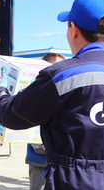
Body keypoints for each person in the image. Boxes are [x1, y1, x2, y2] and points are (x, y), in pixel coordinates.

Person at [0, 0, 104, 190]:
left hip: (73, 181)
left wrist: (0, 91)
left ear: (74, 29)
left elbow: (12, 116)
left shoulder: (62, 75)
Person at [26, 53, 65, 190]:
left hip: (61, 164)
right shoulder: (34, 93)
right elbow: (32, 135)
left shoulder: (65, 93)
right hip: (40, 161)